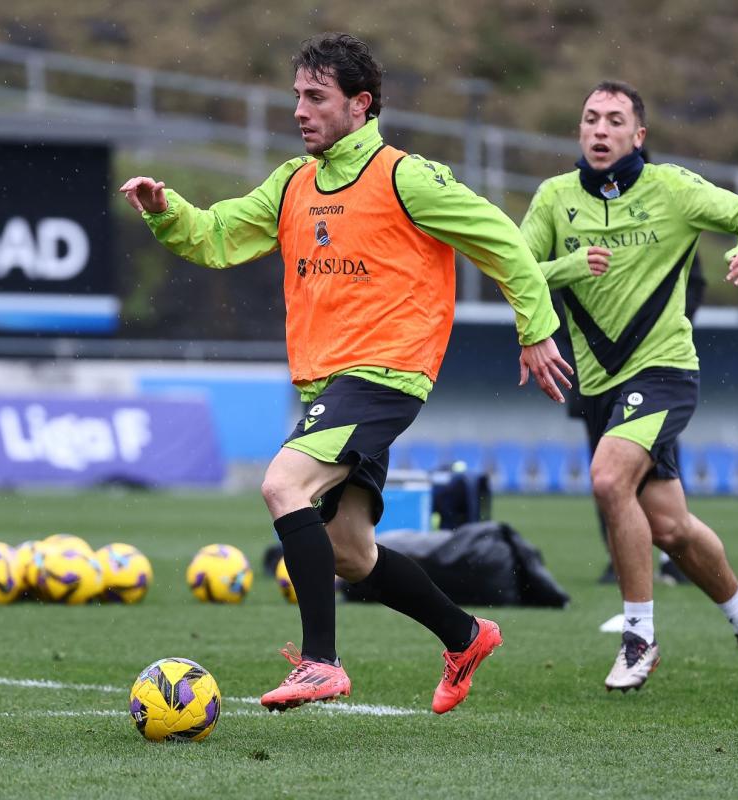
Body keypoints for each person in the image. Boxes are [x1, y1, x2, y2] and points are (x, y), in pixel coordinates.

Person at [121, 33, 571, 714]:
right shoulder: (293, 182)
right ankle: (465, 633)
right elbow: (218, 236)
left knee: (282, 484)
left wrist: (536, 329)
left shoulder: (405, 176)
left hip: (386, 372)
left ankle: (320, 662)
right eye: (297, 95)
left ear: (360, 105)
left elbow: (502, 240)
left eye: (316, 97)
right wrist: (165, 211)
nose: (300, 110)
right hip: (325, 386)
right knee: (351, 552)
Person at [519, 80, 738, 693]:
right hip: (603, 385)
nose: (600, 130)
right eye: (590, 119)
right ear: (579, 132)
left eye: (614, 120)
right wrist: (567, 267)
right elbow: (517, 269)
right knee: (669, 527)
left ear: (639, 136)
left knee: (609, 478)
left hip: (664, 370)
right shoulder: (555, 199)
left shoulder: (672, 189)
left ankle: (638, 636)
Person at [555, 147, 704, 587]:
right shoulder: (566, 210)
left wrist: (653, 331)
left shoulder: (666, 211)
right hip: (591, 371)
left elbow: (691, 285)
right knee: (602, 468)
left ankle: (673, 561)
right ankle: (619, 556)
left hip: (652, 369)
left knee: (650, 465)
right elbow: (532, 275)